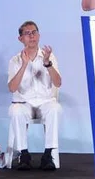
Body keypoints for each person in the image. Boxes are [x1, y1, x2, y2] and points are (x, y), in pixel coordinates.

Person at [7, 21, 62, 170]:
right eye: (27, 33)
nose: (31, 36)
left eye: (34, 32)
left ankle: (48, 155)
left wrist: (47, 64)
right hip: (24, 103)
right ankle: (24, 155)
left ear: (39, 35)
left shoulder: (49, 57)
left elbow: (58, 83)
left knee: (55, 108)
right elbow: (12, 88)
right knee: (15, 111)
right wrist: (24, 65)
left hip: (45, 102)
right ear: (20, 39)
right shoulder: (15, 60)